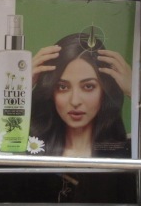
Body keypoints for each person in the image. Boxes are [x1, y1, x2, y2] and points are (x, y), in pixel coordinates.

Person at [29, 31, 132, 159]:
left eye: (88, 86)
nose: (75, 101)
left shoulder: (128, 151)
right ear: (51, 92)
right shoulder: (30, 148)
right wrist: (20, 87)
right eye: (63, 87)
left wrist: (134, 91)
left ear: (104, 91)